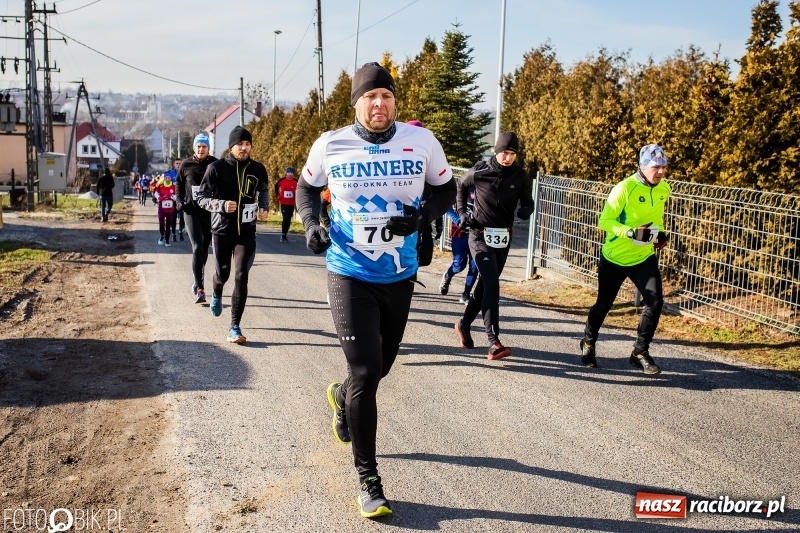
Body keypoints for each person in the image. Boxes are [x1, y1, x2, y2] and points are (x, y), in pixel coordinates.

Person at [295, 62, 455, 519]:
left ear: (395, 102)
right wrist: (310, 224)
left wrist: (423, 216)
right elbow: (307, 190)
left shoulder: (421, 142)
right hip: (347, 269)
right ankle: (369, 481)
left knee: (380, 366)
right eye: (370, 97)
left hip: (398, 273)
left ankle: (342, 397)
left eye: (386, 95)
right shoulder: (331, 144)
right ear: (357, 104)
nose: (379, 103)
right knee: (366, 370)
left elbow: (448, 190)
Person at [579, 144, 671, 375]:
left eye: (663, 167)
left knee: (655, 302)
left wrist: (659, 234)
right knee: (604, 304)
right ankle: (588, 343)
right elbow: (605, 221)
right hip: (615, 257)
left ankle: (640, 352)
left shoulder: (664, 189)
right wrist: (630, 232)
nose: (660, 172)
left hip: (643, 256)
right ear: (643, 166)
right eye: (655, 167)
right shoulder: (625, 188)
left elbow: (654, 218)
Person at [454, 132, 534, 360]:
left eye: (511, 154)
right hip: (478, 235)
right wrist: (462, 213)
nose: (507, 158)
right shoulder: (481, 171)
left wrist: (526, 210)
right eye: (504, 153)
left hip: (503, 238)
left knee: (484, 288)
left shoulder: (521, 176)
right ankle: (493, 341)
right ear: (497, 151)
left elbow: (528, 201)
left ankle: (463, 324)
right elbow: (460, 185)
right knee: (492, 283)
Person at [196, 125, 268, 344]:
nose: (244, 148)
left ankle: (234, 326)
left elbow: (263, 190)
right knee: (223, 274)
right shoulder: (216, 168)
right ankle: (216, 292)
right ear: (231, 146)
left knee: (241, 275)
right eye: (240, 144)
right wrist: (220, 205)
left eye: (247, 144)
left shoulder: (258, 168)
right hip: (222, 231)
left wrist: (264, 206)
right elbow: (201, 197)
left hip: (246, 232)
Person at [177, 133, 218, 304]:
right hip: (191, 211)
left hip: (209, 212)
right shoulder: (186, 164)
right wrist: (180, 201)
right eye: (198, 146)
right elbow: (179, 185)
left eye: (204, 147)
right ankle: (200, 289)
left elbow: (221, 184)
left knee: (204, 249)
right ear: (194, 148)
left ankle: (196, 278)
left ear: (208, 149)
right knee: (197, 247)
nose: (201, 150)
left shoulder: (215, 164)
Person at [440, 190, 479, 304]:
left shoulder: (486, 186)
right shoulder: (464, 186)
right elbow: (447, 206)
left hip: (477, 234)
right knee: (459, 265)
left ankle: (466, 294)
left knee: (475, 265)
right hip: (460, 233)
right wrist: (457, 219)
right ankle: (448, 276)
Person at [274, 166, 298, 242]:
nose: (290, 174)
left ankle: (285, 234)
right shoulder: (282, 180)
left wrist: (296, 194)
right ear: (286, 173)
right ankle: (283, 235)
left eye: (291, 172)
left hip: (291, 204)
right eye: (288, 172)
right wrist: (277, 195)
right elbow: (276, 186)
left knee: (288, 220)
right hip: (283, 203)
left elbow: (300, 190)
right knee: (286, 218)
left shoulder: (296, 181)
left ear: (293, 174)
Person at [154, 173, 177, 247]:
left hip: (170, 208)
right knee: (161, 223)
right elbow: (156, 193)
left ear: (171, 178)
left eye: (169, 178)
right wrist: (159, 198)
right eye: (166, 178)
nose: (167, 179)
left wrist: (172, 196)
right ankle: (162, 235)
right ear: (164, 178)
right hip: (162, 207)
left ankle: (167, 240)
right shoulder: (160, 186)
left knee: (168, 224)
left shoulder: (174, 186)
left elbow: (177, 196)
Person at [164, 159, 185, 242]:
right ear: (174, 164)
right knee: (173, 218)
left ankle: (180, 232)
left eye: (180, 163)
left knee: (182, 217)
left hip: (182, 199)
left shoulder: (185, 172)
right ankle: (173, 234)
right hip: (172, 199)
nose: (178, 165)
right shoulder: (168, 173)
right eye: (177, 163)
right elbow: (166, 186)